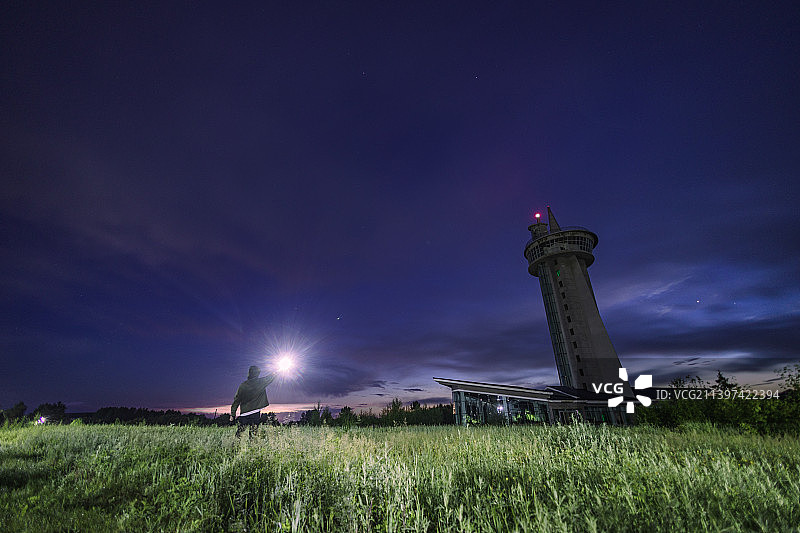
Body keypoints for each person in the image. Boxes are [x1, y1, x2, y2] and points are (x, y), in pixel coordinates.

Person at [231, 365, 275, 438]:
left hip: (244, 414)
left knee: (239, 435)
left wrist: (233, 414)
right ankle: (252, 447)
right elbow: (270, 377)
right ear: (257, 374)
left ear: (249, 373)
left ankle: (234, 448)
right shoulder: (261, 382)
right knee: (253, 435)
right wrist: (276, 371)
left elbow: (236, 400)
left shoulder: (243, 385)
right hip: (255, 413)